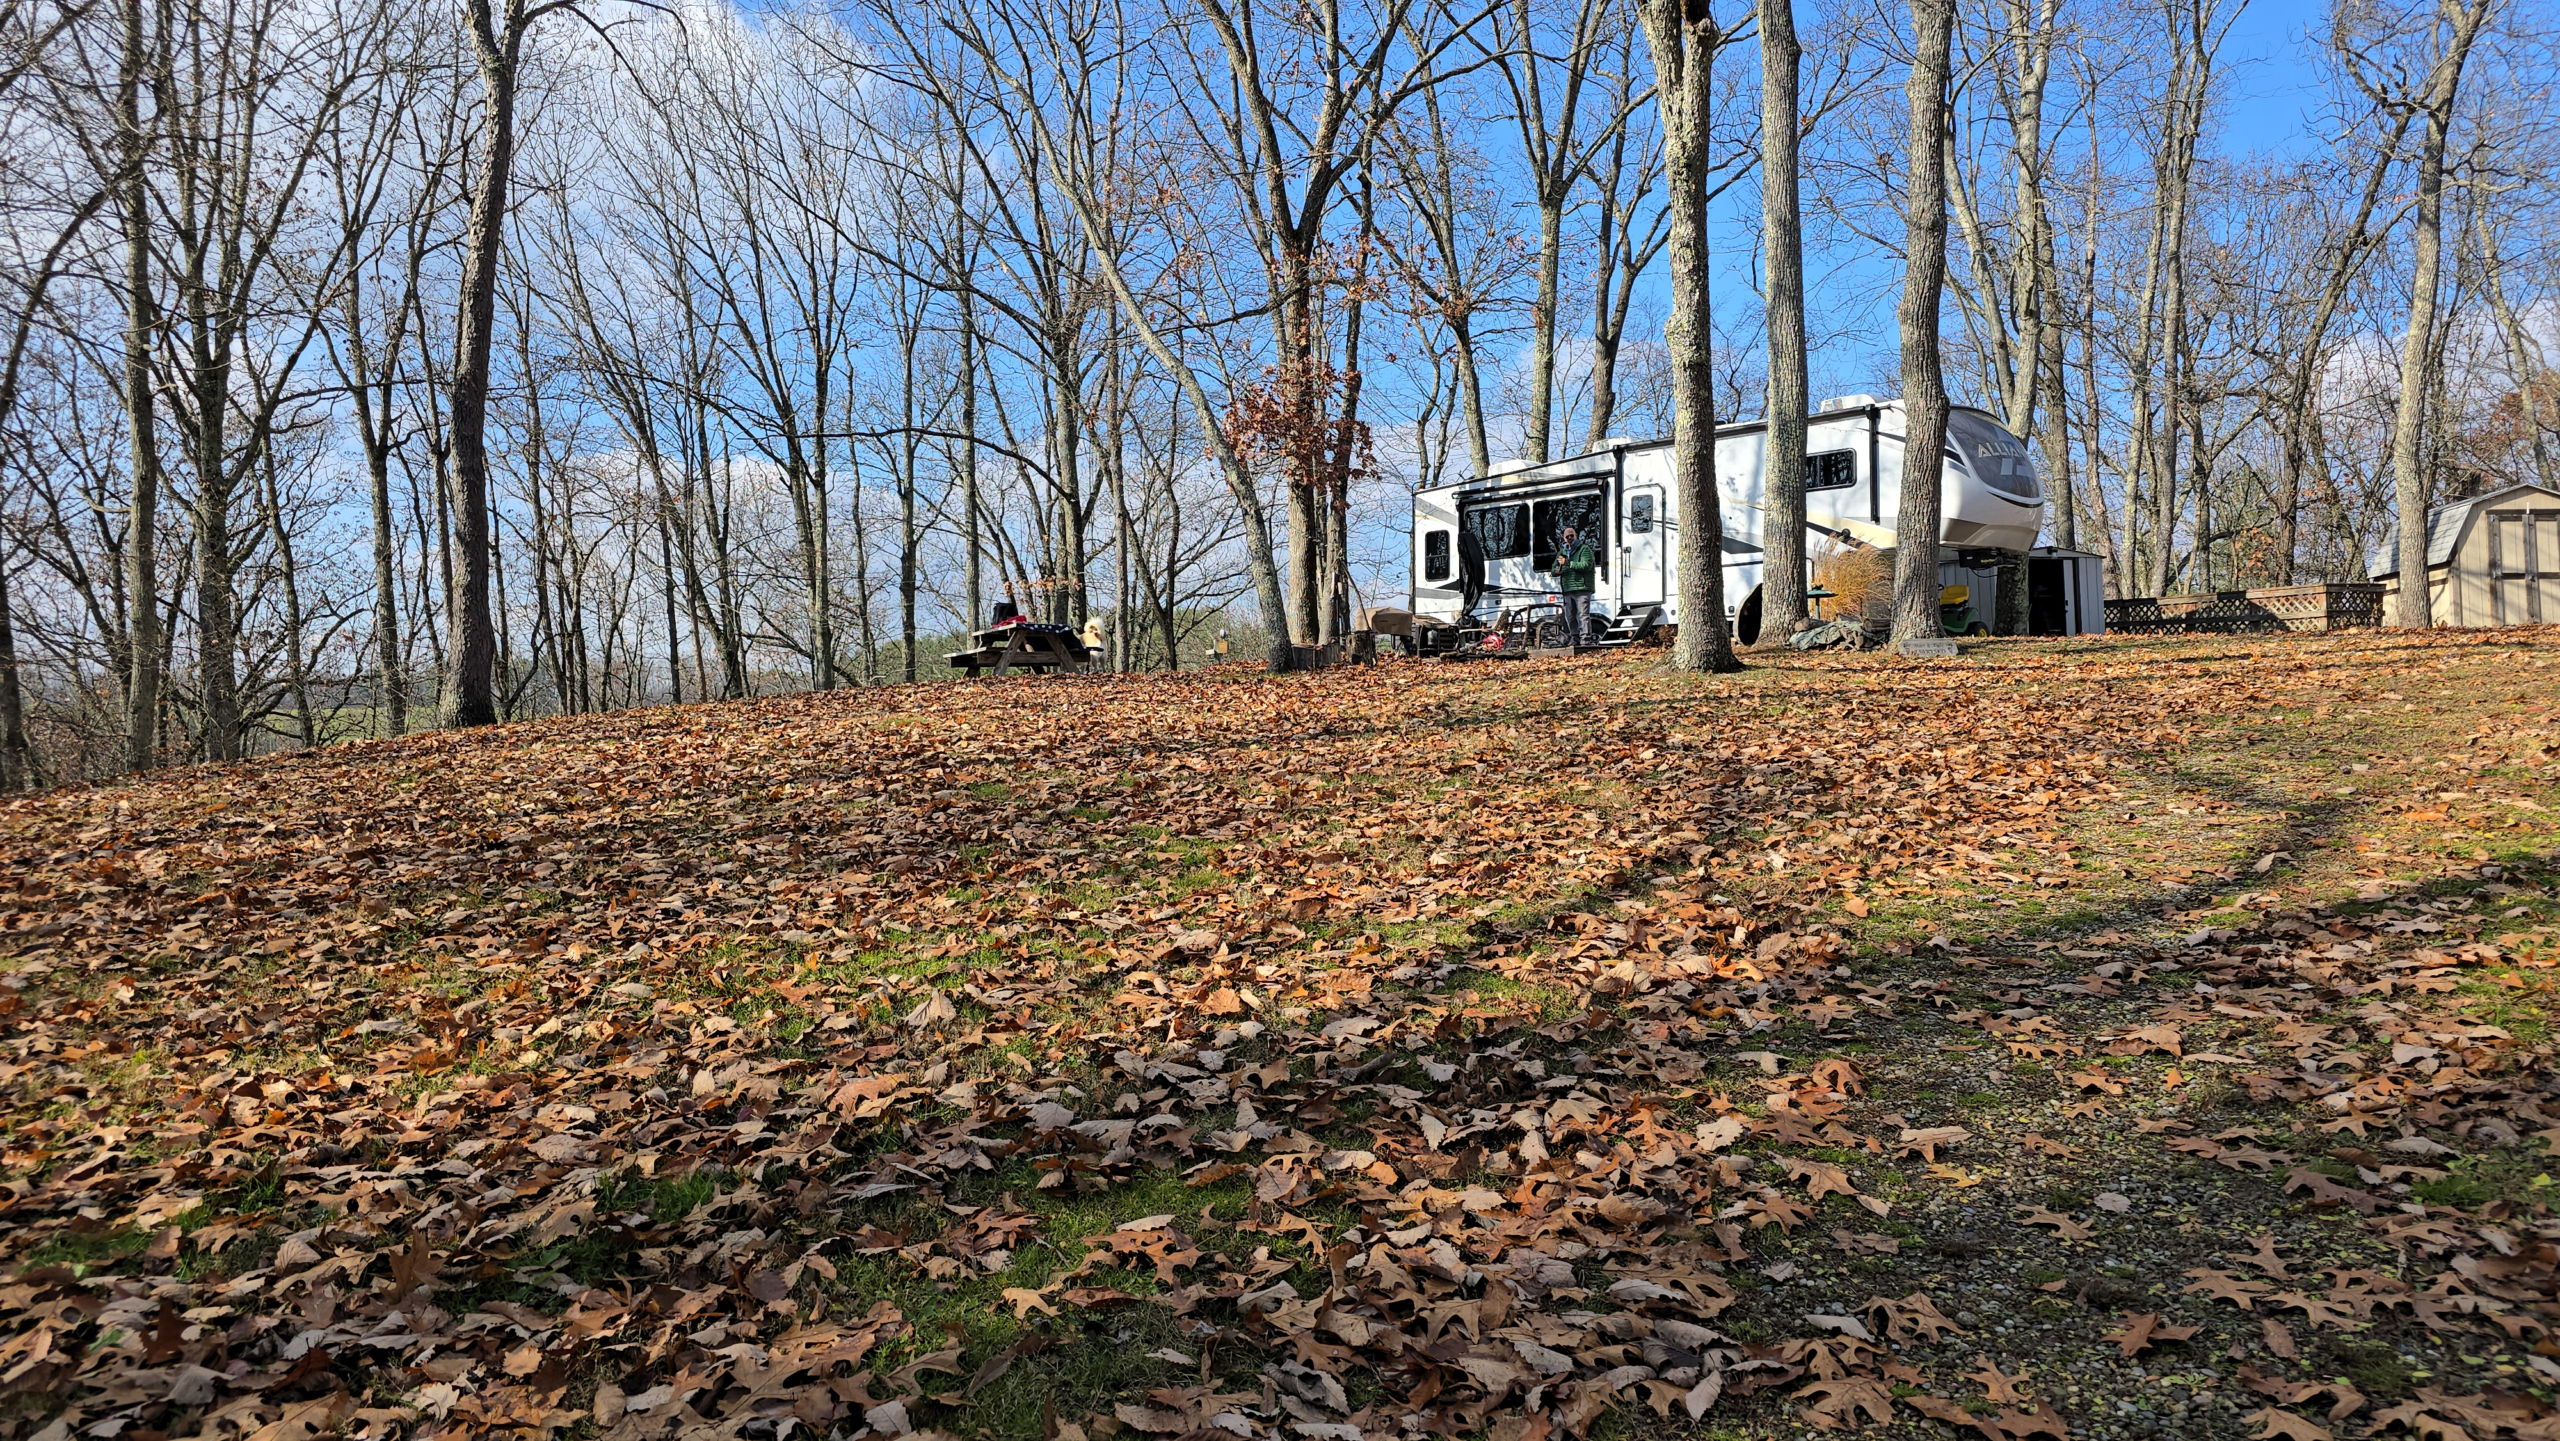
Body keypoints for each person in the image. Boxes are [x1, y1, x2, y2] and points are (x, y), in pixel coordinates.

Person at [1553, 525, 1597, 647]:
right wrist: (1556, 571)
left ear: (1576, 536)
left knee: (1583, 614)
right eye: (1567, 536)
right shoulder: (1562, 553)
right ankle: (1575, 637)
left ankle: (1585, 640)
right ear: (1564, 538)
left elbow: (1586, 566)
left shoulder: (1585, 549)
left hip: (1582, 588)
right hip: (1567, 589)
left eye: (1572, 535)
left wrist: (1569, 563)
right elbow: (1553, 569)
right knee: (1570, 616)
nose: (1570, 538)